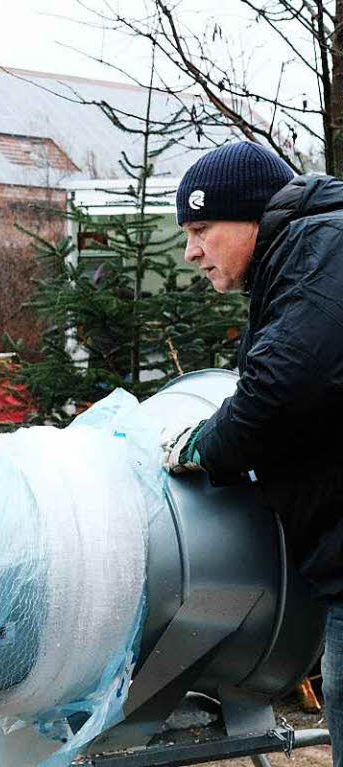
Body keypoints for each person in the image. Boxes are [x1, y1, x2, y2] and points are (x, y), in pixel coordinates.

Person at [160, 141, 343, 765]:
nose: (191, 250)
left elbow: (284, 386)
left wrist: (204, 446)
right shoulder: (312, 253)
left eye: (202, 227)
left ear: (255, 217)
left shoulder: (321, 248)